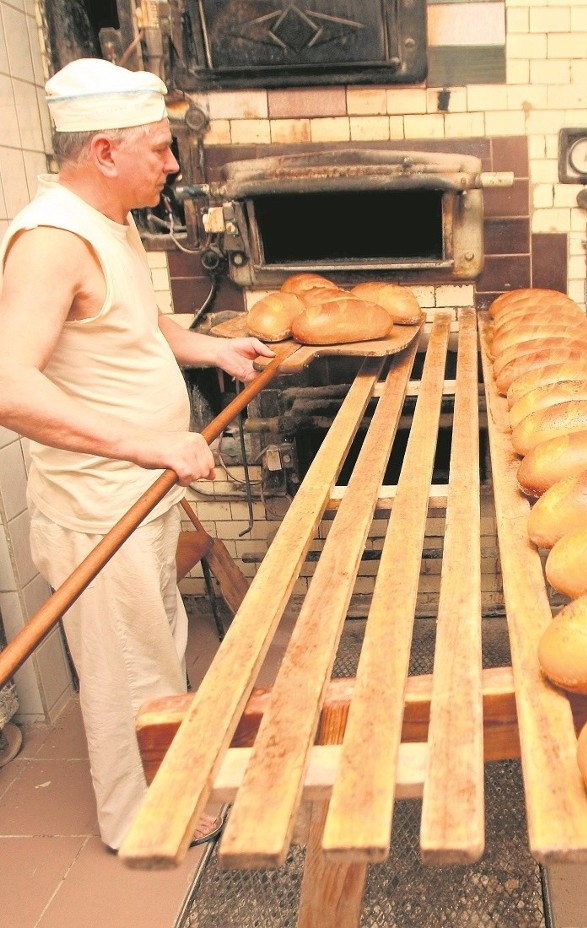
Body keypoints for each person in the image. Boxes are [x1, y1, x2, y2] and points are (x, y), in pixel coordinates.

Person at [0, 57, 275, 852]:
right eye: (159, 148)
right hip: (97, 510)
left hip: (138, 494)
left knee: (157, 648)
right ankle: (140, 822)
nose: (174, 163)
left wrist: (211, 352)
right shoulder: (51, 240)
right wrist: (149, 441)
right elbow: (9, 384)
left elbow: (140, 324)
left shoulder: (108, 224)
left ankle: (175, 788)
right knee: (127, 674)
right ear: (106, 151)